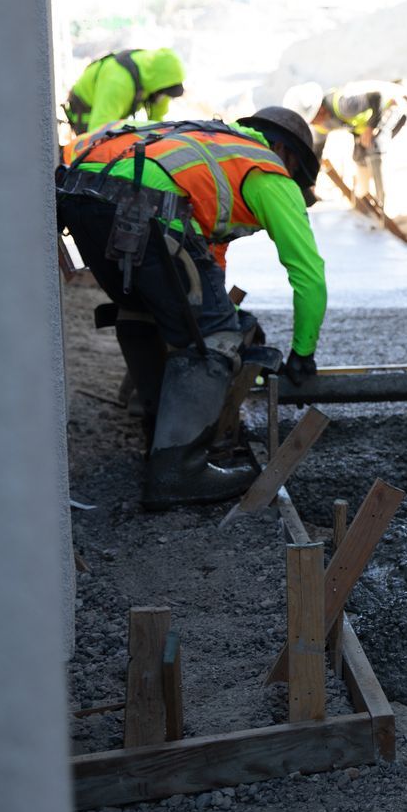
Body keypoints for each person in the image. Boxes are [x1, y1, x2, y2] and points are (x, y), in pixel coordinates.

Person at [57, 107, 327, 511]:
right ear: (288, 155)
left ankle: (155, 428)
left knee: (142, 308)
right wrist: (302, 354)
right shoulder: (267, 171)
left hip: (80, 194)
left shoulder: (207, 146)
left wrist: (220, 315)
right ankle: (177, 469)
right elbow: (310, 275)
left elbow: (203, 275)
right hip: (142, 207)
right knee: (215, 338)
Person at [310, 79, 407, 209]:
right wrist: (310, 183)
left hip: (394, 105)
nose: (314, 124)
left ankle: (382, 205)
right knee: (359, 155)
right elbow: (316, 154)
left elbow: (377, 97)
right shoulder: (319, 125)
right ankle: (364, 199)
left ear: (320, 109)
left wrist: (371, 127)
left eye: (313, 119)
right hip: (371, 119)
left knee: (375, 145)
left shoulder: (345, 104)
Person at [63, 47, 185, 136]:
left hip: (107, 117)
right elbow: (99, 130)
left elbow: (158, 123)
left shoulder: (157, 82)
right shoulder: (118, 81)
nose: (163, 98)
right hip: (87, 118)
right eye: (163, 93)